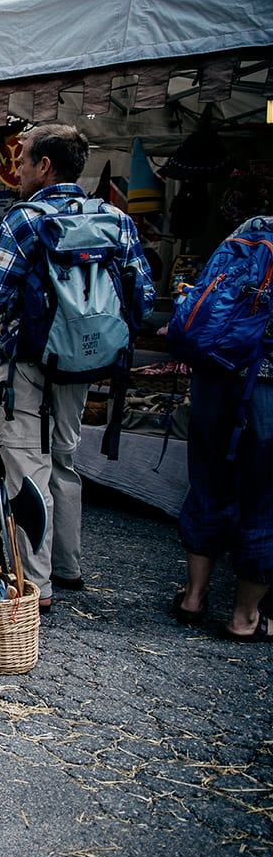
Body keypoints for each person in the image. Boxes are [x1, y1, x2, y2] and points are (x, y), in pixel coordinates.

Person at [0, 124, 153, 613]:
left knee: (26, 464)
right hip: (85, 361)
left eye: (24, 159)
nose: (18, 169)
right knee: (64, 459)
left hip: (26, 363)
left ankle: (35, 583)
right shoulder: (116, 220)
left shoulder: (24, 220)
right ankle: (67, 566)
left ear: (45, 167)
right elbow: (143, 297)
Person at [172, 211, 273, 641]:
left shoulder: (249, 231)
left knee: (207, 484)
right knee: (262, 500)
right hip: (266, 388)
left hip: (214, 381)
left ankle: (194, 595)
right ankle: (245, 616)